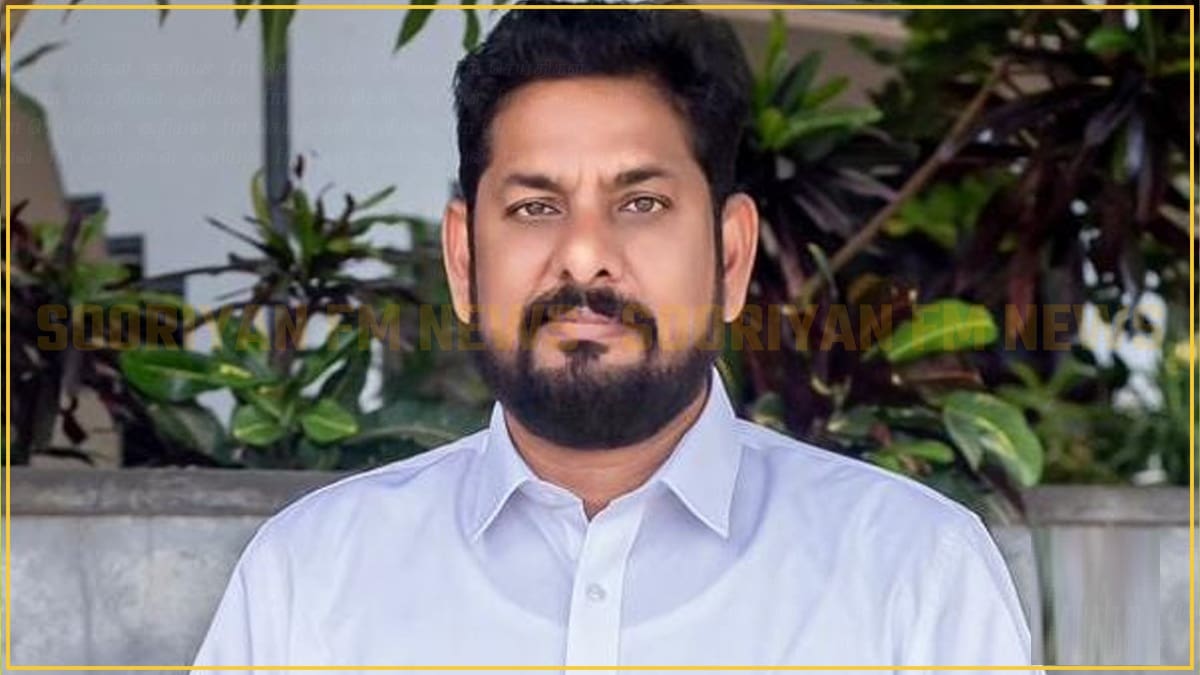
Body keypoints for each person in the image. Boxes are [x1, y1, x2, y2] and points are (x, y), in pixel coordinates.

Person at [192, 2, 1034, 670]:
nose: (584, 254)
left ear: (730, 256)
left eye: (641, 203)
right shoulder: (310, 582)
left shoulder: (913, 577)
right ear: (463, 259)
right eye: (535, 206)